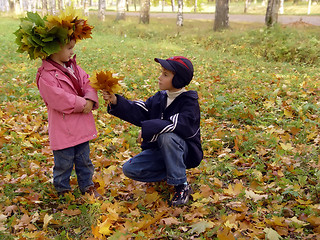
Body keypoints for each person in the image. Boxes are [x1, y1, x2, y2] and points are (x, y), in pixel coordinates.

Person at [15, 10, 101, 198]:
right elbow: (58, 98)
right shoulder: (45, 76)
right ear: (53, 49)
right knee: (64, 161)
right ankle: (62, 188)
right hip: (63, 128)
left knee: (84, 159)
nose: (72, 52)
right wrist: (81, 103)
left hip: (80, 126)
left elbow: (88, 82)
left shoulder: (74, 67)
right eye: (69, 48)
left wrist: (90, 99)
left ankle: (86, 185)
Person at [103, 56, 203, 206]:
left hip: (185, 153)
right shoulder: (160, 97)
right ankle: (171, 171)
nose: (159, 77)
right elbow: (142, 110)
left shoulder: (189, 102)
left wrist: (148, 129)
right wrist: (116, 101)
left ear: (178, 79)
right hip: (161, 151)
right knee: (130, 169)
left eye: (165, 74)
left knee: (167, 137)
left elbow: (176, 124)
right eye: (161, 73)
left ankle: (181, 185)